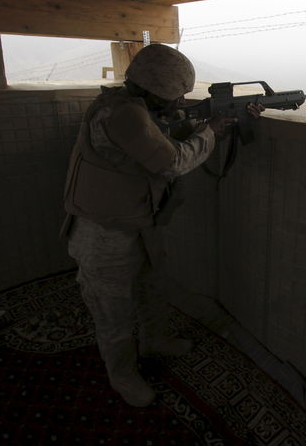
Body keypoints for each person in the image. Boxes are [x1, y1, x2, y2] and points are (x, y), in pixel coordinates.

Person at [61, 44, 262, 407]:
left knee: (151, 289)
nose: (181, 101)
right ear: (154, 92)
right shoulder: (123, 115)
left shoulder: (134, 106)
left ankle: (154, 341)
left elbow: (162, 135)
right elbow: (172, 162)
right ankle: (123, 375)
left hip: (138, 223)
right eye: (176, 96)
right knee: (113, 312)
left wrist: (216, 123)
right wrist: (211, 130)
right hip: (103, 234)